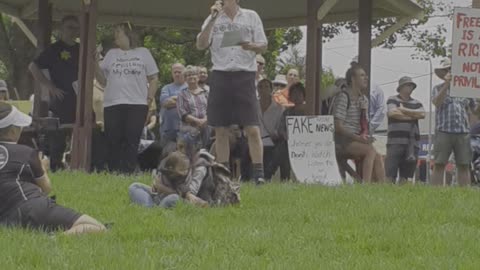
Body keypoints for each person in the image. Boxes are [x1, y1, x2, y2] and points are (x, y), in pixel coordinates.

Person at [0, 103, 106, 234]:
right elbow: (46, 188)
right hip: (33, 206)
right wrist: (43, 167)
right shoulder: (26, 152)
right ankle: (57, 238)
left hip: (6, 217)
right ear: (12, 131)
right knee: (98, 228)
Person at [196, 0, 268, 184]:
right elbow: (201, 44)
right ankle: (223, 174)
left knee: (252, 127)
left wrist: (249, 46)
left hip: (245, 75)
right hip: (221, 75)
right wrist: (212, 19)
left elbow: (263, 45)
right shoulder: (213, 18)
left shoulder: (251, 16)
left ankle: (258, 174)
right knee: (221, 128)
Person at [95, 22, 159, 174]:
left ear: (128, 34)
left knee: (132, 139)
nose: (115, 34)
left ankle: (128, 171)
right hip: (113, 103)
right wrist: (94, 63)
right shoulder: (111, 54)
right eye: (115, 31)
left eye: (118, 31)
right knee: (113, 138)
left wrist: (149, 99)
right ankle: (113, 171)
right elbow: (102, 80)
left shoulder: (143, 53)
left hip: (137, 103)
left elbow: (154, 78)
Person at [29, 15, 80, 172]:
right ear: (62, 29)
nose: (73, 31)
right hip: (60, 98)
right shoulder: (53, 49)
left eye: (75, 28)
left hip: (79, 98)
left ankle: (79, 166)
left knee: (83, 130)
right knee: (58, 135)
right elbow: (33, 67)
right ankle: (56, 166)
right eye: (69, 27)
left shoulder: (81, 48)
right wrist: (50, 87)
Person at [332, 64, 385, 183]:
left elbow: (364, 125)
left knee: (378, 152)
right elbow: (338, 126)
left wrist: (364, 111)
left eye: (366, 76)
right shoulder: (343, 97)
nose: (366, 78)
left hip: (357, 138)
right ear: (353, 79)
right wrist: (359, 138)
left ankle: (381, 187)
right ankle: (365, 186)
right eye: (362, 75)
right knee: (370, 150)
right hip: (343, 140)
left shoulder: (364, 99)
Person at [431, 59, 475, 186]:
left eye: (451, 69)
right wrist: (446, 85)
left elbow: (475, 111)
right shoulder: (437, 88)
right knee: (439, 163)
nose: (449, 72)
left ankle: (464, 193)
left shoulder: (466, 89)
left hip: (463, 132)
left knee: (464, 164)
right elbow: (436, 102)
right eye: (446, 70)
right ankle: (435, 193)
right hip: (443, 131)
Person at [385, 77, 425, 184]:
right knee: (390, 173)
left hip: (412, 144)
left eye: (411, 85)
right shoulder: (392, 99)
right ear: (401, 87)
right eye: (408, 85)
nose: (410, 87)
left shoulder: (417, 103)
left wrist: (403, 110)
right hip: (395, 142)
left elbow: (422, 114)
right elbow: (392, 113)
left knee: (406, 175)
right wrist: (412, 116)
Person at [267, 82, 307, 181]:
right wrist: (287, 137)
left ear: (304, 95)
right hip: (289, 143)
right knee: (282, 149)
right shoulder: (287, 112)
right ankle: (282, 178)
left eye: (299, 93)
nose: (297, 96)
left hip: (306, 144)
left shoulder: (309, 111)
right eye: (294, 94)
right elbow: (281, 129)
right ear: (290, 97)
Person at [177, 66, 210, 150]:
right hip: (188, 130)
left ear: (198, 77)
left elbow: (211, 109)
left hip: (206, 128)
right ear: (185, 79)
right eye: (188, 75)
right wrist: (198, 121)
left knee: (205, 153)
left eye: (193, 74)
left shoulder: (206, 92)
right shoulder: (182, 94)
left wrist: (205, 120)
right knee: (189, 155)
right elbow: (182, 113)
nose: (191, 76)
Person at [351, 56, 385, 132]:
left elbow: (381, 109)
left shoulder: (375, 89)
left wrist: (370, 126)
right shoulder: (345, 88)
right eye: (354, 67)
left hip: (366, 128)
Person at [159, 63, 187, 147]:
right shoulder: (166, 88)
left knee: (184, 155)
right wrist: (183, 98)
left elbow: (191, 103)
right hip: (168, 128)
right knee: (166, 154)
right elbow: (165, 103)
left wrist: (174, 98)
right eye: (175, 72)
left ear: (184, 73)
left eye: (179, 72)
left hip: (185, 128)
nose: (177, 74)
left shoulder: (190, 87)